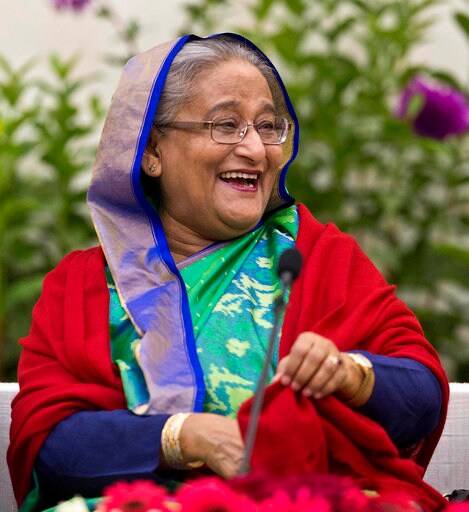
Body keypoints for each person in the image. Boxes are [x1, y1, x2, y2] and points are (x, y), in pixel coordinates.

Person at [8, 33, 449, 512]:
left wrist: (351, 373)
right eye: (226, 125)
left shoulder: (314, 255)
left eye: (268, 126)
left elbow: (422, 399)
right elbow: (51, 446)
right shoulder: (86, 286)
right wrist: (183, 436)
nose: (256, 150)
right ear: (152, 150)